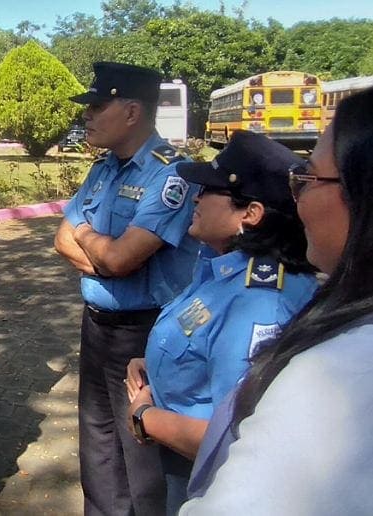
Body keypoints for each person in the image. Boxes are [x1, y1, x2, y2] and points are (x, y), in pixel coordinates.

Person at [179, 88, 373, 515]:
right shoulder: (214, 265)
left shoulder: (338, 370)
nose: (296, 197)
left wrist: (146, 419)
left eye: (306, 179)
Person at [124, 131, 318, 515]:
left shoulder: (259, 301)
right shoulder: (222, 266)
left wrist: (145, 417)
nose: (195, 197)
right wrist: (158, 368)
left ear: (250, 214)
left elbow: (236, 436)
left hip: (207, 480)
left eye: (209, 190)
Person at [53, 61, 200, 516]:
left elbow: (121, 258)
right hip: (96, 326)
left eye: (98, 106)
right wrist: (105, 259)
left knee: (142, 455)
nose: (87, 116)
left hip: (143, 333)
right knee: (97, 441)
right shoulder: (104, 170)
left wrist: (94, 245)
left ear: (132, 112)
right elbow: (62, 239)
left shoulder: (170, 175)